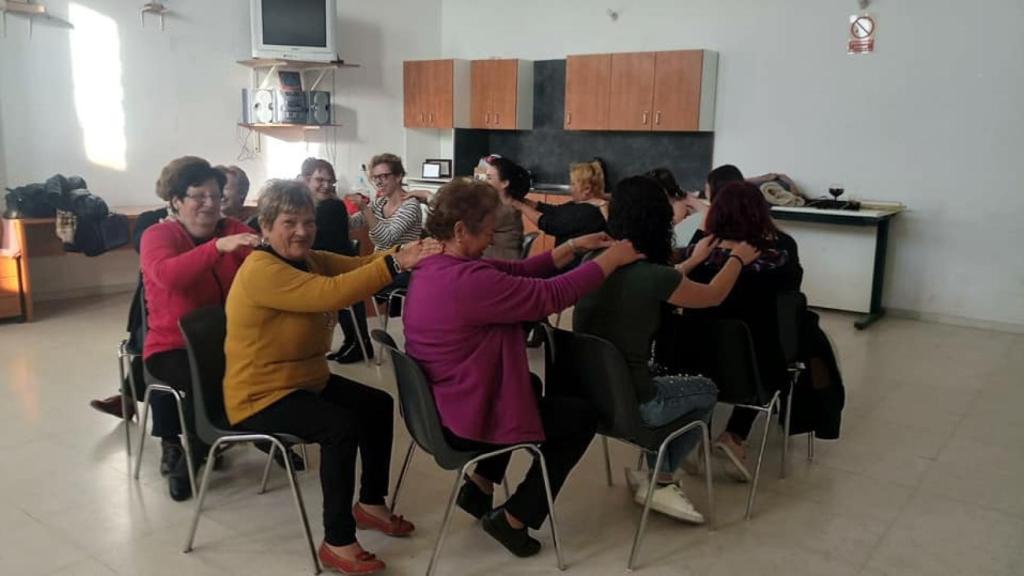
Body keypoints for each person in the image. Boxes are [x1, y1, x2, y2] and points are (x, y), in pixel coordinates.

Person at [403, 178, 644, 558]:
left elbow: (520, 272)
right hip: (461, 418)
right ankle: (515, 517)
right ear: (461, 230)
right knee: (580, 418)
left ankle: (479, 487)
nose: (492, 239)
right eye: (488, 231)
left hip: (441, 405)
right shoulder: (468, 281)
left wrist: (573, 247)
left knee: (526, 385)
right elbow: (550, 295)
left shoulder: (437, 266)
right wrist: (611, 259)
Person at [224, 179, 438, 575]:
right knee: (339, 428)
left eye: (308, 222)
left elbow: (358, 267)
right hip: (261, 395)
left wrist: (408, 251)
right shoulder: (261, 270)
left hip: (307, 380)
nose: (302, 231)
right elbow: (330, 294)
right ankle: (337, 540)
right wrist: (397, 263)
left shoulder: (309, 259)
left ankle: (370, 504)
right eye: (289, 222)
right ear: (266, 228)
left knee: (377, 404)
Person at [573, 175, 759, 522]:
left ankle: (658, 468)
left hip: (592, 396)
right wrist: (737, 259)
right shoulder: (655, 276)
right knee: (706, 389)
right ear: (660, 221)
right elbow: (713, 295)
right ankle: (662, 478)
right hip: (636, 407)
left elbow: (658, 281)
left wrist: (691, 261)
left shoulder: (594, 263)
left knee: (667, 375)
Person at [140, 156, 259, 501]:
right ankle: (193, 454)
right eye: (199, 196)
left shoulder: (232, 229)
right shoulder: (158, 234)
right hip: (170, 346)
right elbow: (169, 276)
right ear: (176, 201)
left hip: (225, 342)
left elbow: (264, 260)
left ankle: (228, 438)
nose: (210, 203)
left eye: (216, 195)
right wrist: (216, 248)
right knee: (206, 379)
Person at [674, 181, 803, 481]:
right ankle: (734, 435)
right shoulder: (781, 250)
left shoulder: (701, 247)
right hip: (752, 370)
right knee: (777, 352)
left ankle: (695, 435)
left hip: (693, 361)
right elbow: (792, 295)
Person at [338, 153, 422, 363]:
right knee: (344, 281)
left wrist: (365, 207)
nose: (379, 181)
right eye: (375, 177)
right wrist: (334, 209)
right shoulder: (380, 202)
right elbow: (353, 224)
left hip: (406, 269)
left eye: (385, 176)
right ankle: (353, 342)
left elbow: (386, 237)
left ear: (399, 176)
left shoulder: (409, 205)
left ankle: (360, 344)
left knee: (352, 285)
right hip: (383, 263)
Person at [510, 159, 608, 254]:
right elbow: (555, 211)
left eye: (573, 184)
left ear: (587, 189)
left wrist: (519, 205)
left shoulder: (588, 211)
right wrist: (524, 201)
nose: (571, 188)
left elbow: (550, 224)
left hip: (572, 268)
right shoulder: (579, 205)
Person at [482, 155, 530, 260]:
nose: (485, 182)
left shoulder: (506, 208)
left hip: (503, 258)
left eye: (489, 178)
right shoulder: (504, 202)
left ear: (504, 183)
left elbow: (476, 228)